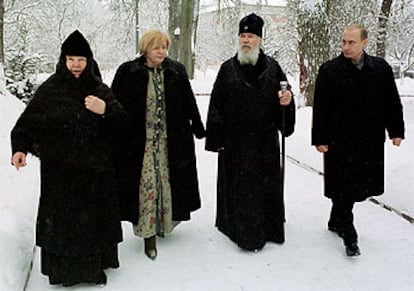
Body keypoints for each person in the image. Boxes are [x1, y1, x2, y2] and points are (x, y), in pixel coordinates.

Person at [11, 30, 128, 286]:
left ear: (89, 61)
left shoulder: (99, 89)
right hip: (60, 176)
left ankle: (91, 271)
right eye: (71, 59)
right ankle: (63, 273)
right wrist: (19, 148)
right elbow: (26, 125)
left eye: (81, 60)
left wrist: (105, 109)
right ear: (63, 60)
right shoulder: (50, 89)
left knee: (90, 226)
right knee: (64, 226)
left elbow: (124, 126)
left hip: (94, 176)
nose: (76, 65)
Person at [111, 29, 205, 260]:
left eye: (164, 47)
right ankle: (148, 234)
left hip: (171, 140)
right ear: (145, 49)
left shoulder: (176, 70)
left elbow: (188, 100)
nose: (162, 52)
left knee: (167, 184)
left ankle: (164, 222)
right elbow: (114, 102)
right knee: (146, 186)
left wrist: (198, 125)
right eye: (157, 47)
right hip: (139, 142)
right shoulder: (128, 72)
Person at [312, 24, 405, 257]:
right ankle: (349, 234)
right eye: (343, 42)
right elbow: (320, 108)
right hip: (339, 141)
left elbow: (391, 102)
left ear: (365, 42)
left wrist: (396, 130)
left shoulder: (380, 69)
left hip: (368, 140)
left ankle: (336, 219)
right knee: (343, 185)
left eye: (351, 42)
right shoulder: (329, 70)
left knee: (356, 186)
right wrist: (319, 138)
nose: (345, 46)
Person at [205, 13, 295, 252]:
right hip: (236, 143)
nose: (246, 40)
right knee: (240, 189)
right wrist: (217, 139)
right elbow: (216, 104)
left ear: (260, 40)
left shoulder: (273, 68)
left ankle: (267, 227)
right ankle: (240, 230)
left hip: (265, 143)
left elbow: (284, 99)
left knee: (263, 188)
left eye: (251, 36)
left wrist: (287, 101)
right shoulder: (227, 69)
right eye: (243, 36)